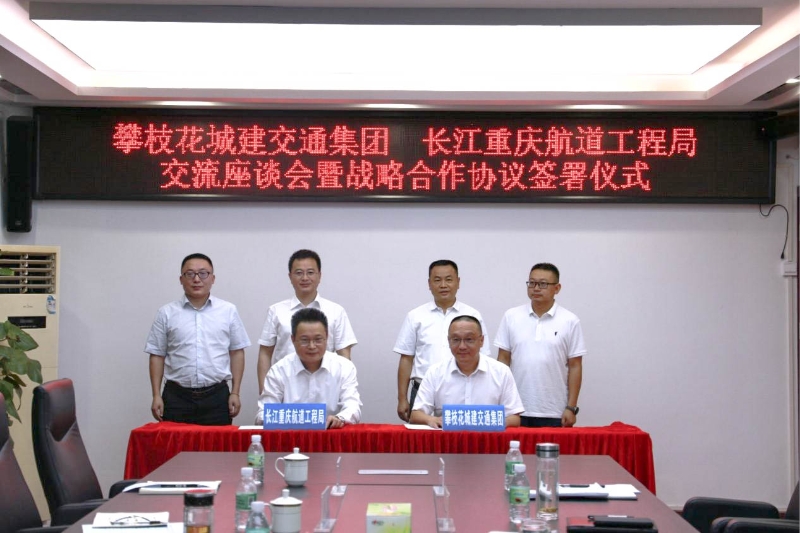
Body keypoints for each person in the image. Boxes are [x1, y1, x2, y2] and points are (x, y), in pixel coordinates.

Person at [146, 253, 251, 425]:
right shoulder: (166, 313)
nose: (196, 279)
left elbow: (237, 352)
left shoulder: (228, 311)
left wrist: (235, 392)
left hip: (217, 397)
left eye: (203, 273)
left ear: (212, 278)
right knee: (175, 443)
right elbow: (157, 355)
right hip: (176, 397)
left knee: (217, 443)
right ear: (181, 279)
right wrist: (156, 395)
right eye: (190, 274)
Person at [393, 259, 490, 422]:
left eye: (449, 279)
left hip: (463, 389)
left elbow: (483, 356)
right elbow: (406, 359)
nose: (443, 285)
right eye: (437, 280)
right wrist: (402, 398)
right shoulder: (415, 316)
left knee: (463, 435)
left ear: (458, 282)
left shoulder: (473, 315)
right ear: (429, 284)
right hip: (423, 390)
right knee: (422, 436)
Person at [495, 262, 587, 427]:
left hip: (554, 410)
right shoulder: (511, 316)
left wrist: (571, 407)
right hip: (515, 410)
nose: (536, 288)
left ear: (557, 288)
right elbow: (503, 360)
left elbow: (575, 366)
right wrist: (500, 400)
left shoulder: (570, 321)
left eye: (543, 284)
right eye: (532, 283)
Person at [256, 249, 357, 393]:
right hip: (285, 387)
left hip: (325, 388)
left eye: (310, 272)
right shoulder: (276, 311)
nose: (304, 278)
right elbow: (265, 353)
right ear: (290, 277)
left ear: (319, 276)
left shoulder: (336, 311)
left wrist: (344, 391)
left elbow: (344, 355)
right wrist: (265, 392)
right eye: (299, 273)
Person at [410, 315, 523, 429]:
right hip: (448, 438)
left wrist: (488, 423)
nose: (462, 346)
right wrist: (431, 419)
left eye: (469, 339)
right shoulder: (435, 372)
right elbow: (415, 415)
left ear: (481, 341)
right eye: (456, 340)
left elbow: (514, 417)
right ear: (448, 341)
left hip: (487, 438)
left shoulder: (501, 372)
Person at [256, 308, 361, 429]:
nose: (312, 346)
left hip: (331, 435)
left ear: (327, 337)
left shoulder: (344, 367)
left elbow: (353, 406)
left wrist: (339, 418)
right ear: (293, 340)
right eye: (305, 340)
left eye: (318, 339)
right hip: (291, 437)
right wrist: (294, 419)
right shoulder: (279, 371)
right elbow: (262, 415)